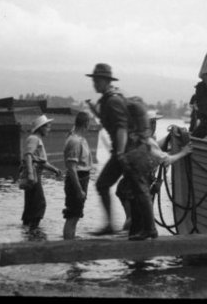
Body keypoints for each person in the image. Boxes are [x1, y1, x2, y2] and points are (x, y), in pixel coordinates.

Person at [86, 63, 130, 235]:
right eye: (94, 80)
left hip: (125, 151)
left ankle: (115, 225)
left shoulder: (112, 100)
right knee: (130, 188)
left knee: (104, 184)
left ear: (106, 81)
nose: (94, 84)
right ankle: (125, 223)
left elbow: (121, 128)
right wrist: (94, 110)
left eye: (97, 80)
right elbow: (108, 121)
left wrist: (119, 153)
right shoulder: (108, 100)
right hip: (123, 151)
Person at [20, 114, 63, 228]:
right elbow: (28, 155)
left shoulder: (36, 139)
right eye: (48, 127)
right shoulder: (34, 139)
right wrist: (30, 174)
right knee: (40, 204)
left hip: (34, 175)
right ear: (41, 127)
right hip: (33, 176)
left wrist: (54, 170)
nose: (49, 129)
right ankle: (34, 231)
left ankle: (28, 230)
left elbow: (41, 162)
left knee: (30, 205)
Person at [62, 111, 93, 239]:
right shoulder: (75, 141)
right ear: (86, 124)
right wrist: (79, 189)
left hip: (82, 178)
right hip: (77, 180)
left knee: (76, 214)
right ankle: (68, 241)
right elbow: (71, 168)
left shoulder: (78, 139)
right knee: (72, 215)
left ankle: (71, 238)